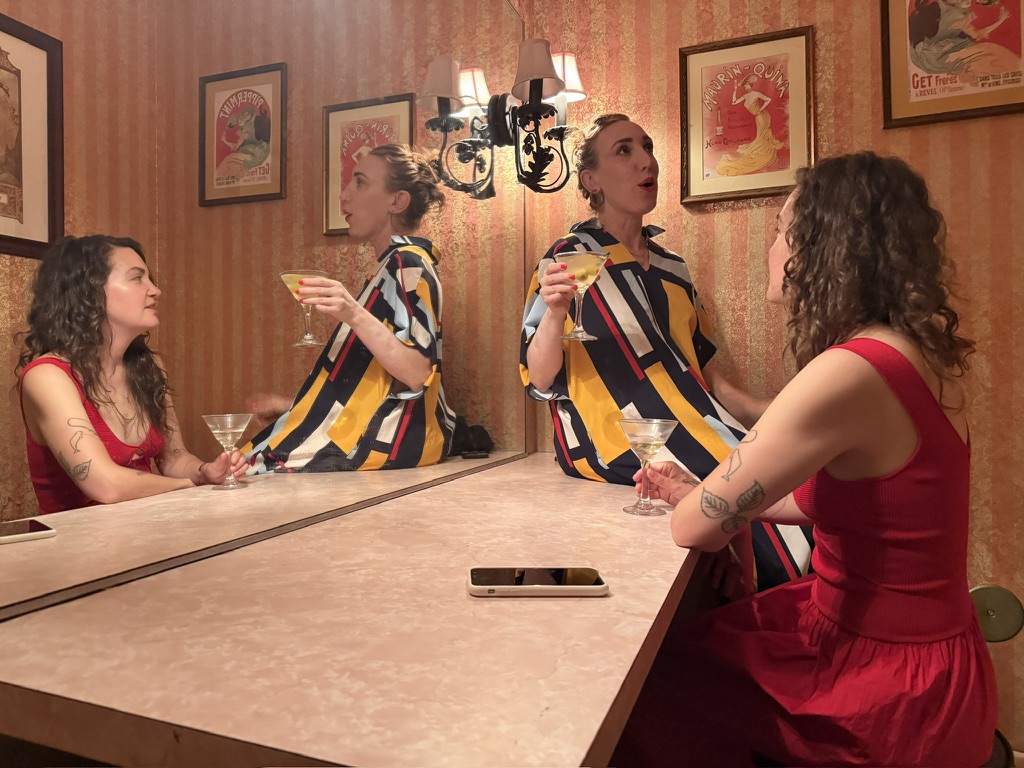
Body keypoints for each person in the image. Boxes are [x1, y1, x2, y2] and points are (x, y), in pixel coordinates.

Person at [613, 151, 998, 766]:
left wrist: (701, 500)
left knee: (637, 694)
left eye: (780, 232)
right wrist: (700, 490)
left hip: (888, 685)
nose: (772, 248)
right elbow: (842, 504)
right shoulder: (915, 355)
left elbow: (695, 530)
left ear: (820, 249)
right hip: (935, 657)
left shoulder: (848, 371)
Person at [520, 113, 811, 591]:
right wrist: (554, 315)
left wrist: (771, 413)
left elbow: (707, 379)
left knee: (783, 478)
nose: (645, 161)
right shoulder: (566, 257)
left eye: (647, 147)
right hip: (620, 436)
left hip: (697, 421)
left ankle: (799, 624)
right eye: (623, 151)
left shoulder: (675, 269)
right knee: (751, 509)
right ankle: (782, 626)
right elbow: (541, 378)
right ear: (591, 180)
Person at [245, 144, 456, 472]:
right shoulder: (392, 266)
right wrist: (295, 405)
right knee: (243, 463)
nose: (344, 195)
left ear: (396, 201)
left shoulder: (408, 263)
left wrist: (353, 312)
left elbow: (417, 373)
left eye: (360, 182)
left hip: (393, 440)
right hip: (386, 434)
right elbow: (378, 385)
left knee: (250, 466)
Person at [17, 235, 247, 515]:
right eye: (137, 278)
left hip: (143, 534)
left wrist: (204, 471)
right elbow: (105, 484)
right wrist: (190, 484)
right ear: (89, 292)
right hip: (72, 549)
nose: (155, 290)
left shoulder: (148, 366)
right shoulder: (48, 376)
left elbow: (173, 459)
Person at [715, 73, 785, 177]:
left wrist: (761, 109)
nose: (745, 87)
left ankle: (765, 151)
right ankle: (763, 148)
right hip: (758, 117)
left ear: (750, 85)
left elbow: (768, 99)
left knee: (763, 135)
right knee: (761, 135)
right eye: (744, 86)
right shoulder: (745, 96)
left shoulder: (756, 93)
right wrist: (735, 90)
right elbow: (734, 102)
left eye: (746, 85)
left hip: (762, 116)